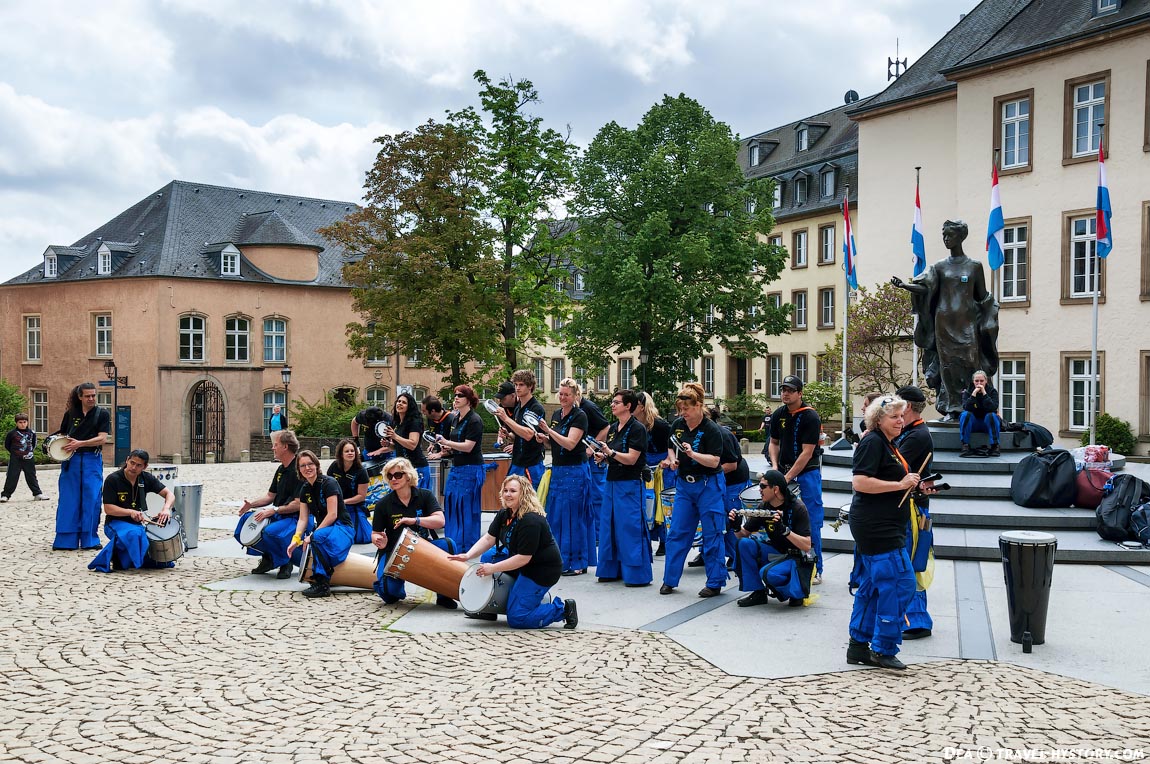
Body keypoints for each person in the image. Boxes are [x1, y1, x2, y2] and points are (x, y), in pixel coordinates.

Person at [892, 220, 999, 419]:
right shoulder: (939, 267)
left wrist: (991, 314)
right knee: (948, 366)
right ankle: (953, 408)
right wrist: (905, 286)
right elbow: (925, 288)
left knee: (970, 363)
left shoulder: (974, 266)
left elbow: (982, 296)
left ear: (961, 237)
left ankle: (976, 405)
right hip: (943, 323)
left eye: (950, 235)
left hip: (967, 324)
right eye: (944, 235)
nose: (946, 239)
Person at [846, 395, 922, 670]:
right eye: (894, 417)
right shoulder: (872, 442)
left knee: (872, 585)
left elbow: (888, 480)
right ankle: (882, 648)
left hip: (880, 524)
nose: (901, 420)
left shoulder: (885, 443)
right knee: (900, 583)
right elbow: (861, 482)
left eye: (902, 416)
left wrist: (913, 485)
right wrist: (900, 485)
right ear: (879, 419)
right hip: (878, 526)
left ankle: (858, 645)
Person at [448, 474, 578, 629]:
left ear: (524, 493)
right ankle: (489, 608)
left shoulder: (531, 520)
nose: (508, 494)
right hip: (521, 562)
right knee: (488, 556)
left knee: (517, 618)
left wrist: (493, 569)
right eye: (505, 490)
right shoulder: (505, 513)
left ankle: (562, 609)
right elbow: (489, 539)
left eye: (513, 491)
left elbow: (523, 558)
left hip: (540, 571)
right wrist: (468, 555)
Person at [661, 382, 726, 598]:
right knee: (677, 532)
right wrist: (672, 460)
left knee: (712, 533)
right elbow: (670, 445)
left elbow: (715, 461)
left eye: (687, 409)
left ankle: (715, 582)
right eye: (681, 409)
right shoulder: (678, 425)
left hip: (708, 484)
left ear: (698, 406)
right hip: (684, 485)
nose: (683, 413)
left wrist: (693, 455)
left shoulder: (712, 430)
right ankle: (669, 580)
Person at [371, 457, 458, 608]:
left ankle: (444, 594)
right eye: (390, 476)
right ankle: (397, 588)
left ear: (408, 476)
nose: (393, 479)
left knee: (449, 545)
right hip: (393, 551)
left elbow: (440, 521)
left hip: (423, 547)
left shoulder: (424, 495)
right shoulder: (382, 504)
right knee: (388, 594)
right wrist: (379, 540)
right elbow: (375, 533)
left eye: (398, 475)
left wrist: (414, 520)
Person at [768, 375, 825, 584]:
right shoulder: (778, 414)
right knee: (779, 517)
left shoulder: (810, 416)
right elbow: (773, 443)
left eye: (790, 390)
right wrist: (774, 468)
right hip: (783, 473)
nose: (785, 393)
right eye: (783, 389)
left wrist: (786, 477)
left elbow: (807, 452)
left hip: (806, 475)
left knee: (811, 519)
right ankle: (784, 561)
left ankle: (815, 567)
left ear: (800, 393)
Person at [536, 378, 595, 576]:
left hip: (575, 471)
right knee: (557, 516)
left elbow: (570, 444)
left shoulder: (580, 416)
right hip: (559, 470)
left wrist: (549, 432)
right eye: (560, 393)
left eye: (566, 394)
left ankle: (578, 563)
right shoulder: (556, 414)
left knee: (574, 517)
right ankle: (560, 559)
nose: (562, 397)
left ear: (575, 396)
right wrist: (544, 439)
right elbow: (554, 444)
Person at [595, 389, 652, 588]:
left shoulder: (637, 429)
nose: (612, 405)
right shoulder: (612, 428)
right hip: (612, 481)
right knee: (609, 526)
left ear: (628, 406)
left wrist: (610, 452)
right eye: (612, 401)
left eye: (616, 402)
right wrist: (603, 456)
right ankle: (610, 570)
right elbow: (614, 455)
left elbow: (632, 459)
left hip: (629, 482)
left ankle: (636, 574)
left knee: (629, 527)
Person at [732, 469, 813, 607]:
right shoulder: (764, 506)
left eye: (763, 486)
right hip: (776, 551)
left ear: (775, 489)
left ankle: (795, 592)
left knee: (769, 573)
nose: (759, 490)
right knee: (744, 544)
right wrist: (736, 527)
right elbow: (744, 534)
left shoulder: (797, 507)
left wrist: (785, 530)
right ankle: (758, 593)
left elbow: (807, 546)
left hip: (797, 556)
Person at [234, 429, 308, 579]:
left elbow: (298, 504)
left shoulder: (299, 470)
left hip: (295, 518)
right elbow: (270, 496)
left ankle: (285, 561)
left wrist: (273, 511)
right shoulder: (281, 469)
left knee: (270, 532)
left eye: (275, 445)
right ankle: (269, 557)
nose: (272, 448)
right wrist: (251, 505)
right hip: (280, 513)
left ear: (285, 447)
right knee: (243, 524)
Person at [88, 449, 176, 572]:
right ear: (127, 460)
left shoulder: (146, 478)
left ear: (145, 467)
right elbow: (108, 509)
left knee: (157, 552)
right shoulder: (113, 479)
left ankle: (126, 559)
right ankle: (116, 558)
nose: (133, 467)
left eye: (138, 465)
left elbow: (170, 495)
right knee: (134, 534)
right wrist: (130, 512)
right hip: (114, 523)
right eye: (132, 462)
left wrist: (166, 509)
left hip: (137, 524)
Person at [894, 384, 936, 639]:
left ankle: (917, 620)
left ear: (907, 406)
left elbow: (896, 467)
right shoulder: (911, 432)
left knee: (910, 562)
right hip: (911, 506)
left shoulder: (917, 435)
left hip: (913, 509)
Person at [287, 450, 354, 599]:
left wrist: (312, 535)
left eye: (310, 464)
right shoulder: (304, 489)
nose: (307, 468)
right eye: (303, 465)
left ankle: (322, 584)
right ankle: (324, 577)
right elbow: (303, 519)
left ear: (316, 465)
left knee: (316, 537)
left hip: (343, 528)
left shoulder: (329, 483)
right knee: (304, 542)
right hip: (326, 530)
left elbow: (333, 514)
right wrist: (295, 539)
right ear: (299, 470)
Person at [52, 382, 110, 550]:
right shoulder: (70, 414)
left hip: (92, 459)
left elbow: (102, 438)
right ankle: (65, 540)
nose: (91, 399)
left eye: (93, 395)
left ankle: (89, 539)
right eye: (87, 396)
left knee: (91, 499)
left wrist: (81, 443)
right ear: (80, 397)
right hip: (71, 461)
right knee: (68, 499)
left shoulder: (102, 414)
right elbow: (62, 434)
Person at [434, 385, 486, 551]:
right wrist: (444, 449)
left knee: (466, 507)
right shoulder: (456, 418)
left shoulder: (475, 420)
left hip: (471, 468)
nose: (456, 398)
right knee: (452, 504)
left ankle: (468, 545)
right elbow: (457, 445)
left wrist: (447, 442)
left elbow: (469, 446)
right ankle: (454, 543)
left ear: (469, 401)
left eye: (460, 396)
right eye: (455, 395)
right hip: (458, 467)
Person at [494, 369, 546, 487]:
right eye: (516, 384)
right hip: (517, 462)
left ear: (530, 386)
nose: (517, 388)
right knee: (510, 499)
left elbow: (528, 435)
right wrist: (508, 434)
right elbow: (518, 436)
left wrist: (506, 419)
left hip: (531, 464)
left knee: (531, 501)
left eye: (521, 385)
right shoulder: (518, 408)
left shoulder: (536, 408)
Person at [635, 393, 673, 556]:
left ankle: (665, 541)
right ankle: (648, 539)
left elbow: (673, 447)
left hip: (662, 467)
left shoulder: (661, 425)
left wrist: (666, 460)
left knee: (662, 504)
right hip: (646, 465)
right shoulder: (635, 424)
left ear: (642, 407)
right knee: (647, 502)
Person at [714, 406, 749, 569]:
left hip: (734, 481)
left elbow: (732, 465)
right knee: (714, 520)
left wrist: (708, 471)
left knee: (732, 518)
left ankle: (737, 557)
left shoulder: (723, 435)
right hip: (718, 481)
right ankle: (710, 552)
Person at [327, 438, 371, 544]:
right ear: (341, 454)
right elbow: (326, 486)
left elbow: (361, 496)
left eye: (352, 451)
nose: (350, 453)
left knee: (362, 537)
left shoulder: (361, 471)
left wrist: (343, 502)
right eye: (347, 451)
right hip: (334, 506)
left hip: (353, 507)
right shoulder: (334, 466)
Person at [390, 392, 432, 488]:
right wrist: (388, 444)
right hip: (402, 468)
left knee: (417, 500)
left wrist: (395, 436)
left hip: (417, 467)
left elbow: (413, 444)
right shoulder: (396, 423)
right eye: (398, 401)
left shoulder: (414, 422)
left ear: (409, 407)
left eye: (404, 402)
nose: (400, 403)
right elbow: (397, 446)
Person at [3, 414, 46, 502]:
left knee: (31, 476)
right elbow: (7, 445)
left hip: (28, 458)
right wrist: (15, 453)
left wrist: (29, 453)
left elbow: (33, 444)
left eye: (24, 422)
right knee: (12, 476)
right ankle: (5, 495)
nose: (22, 424)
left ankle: (37, 493)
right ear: (16, 423)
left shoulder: (31, 433)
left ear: (27, 422)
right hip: (16, 458)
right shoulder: (12, 433)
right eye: (20, 422)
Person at [959, 370, 1002, 457]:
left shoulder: (992, 392)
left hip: (988, 423)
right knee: (965, 415)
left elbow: (993, 408)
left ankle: (995, 446)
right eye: (976, 381)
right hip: (973, 423)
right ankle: (965, 445)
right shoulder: (967, 392)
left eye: (981, 381)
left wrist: (984, 394)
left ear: (986, 381)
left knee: (992, 416)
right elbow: (966, 407)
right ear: (973, 381)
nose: (979, 383)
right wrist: (973, 394)